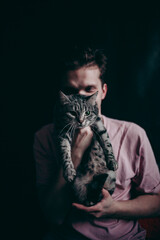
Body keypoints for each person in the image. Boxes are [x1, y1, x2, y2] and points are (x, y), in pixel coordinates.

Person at [33, 46, 160, 240]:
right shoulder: (44, 137)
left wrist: (113, 208)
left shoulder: (132, 134)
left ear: (103, 92)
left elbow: (158, 202)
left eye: (89, 89)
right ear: (62, 97)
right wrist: (74, 152)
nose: (81, 99)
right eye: (71, 91)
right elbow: (53, 215)